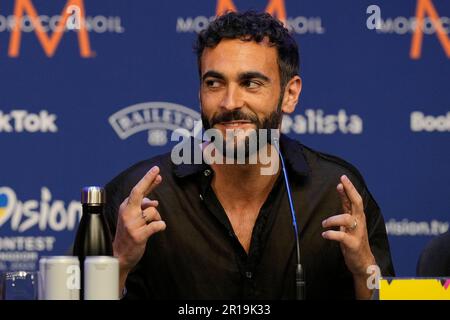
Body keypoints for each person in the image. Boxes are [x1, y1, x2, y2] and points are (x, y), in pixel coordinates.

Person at [104, 11, 394, 300]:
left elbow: (381, 292)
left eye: (251, 83)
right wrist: (118, 266)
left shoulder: (335, 194)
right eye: (214, 84)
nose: (230, 103)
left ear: (290, 94)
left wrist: (364, 269)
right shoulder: (135, 199)